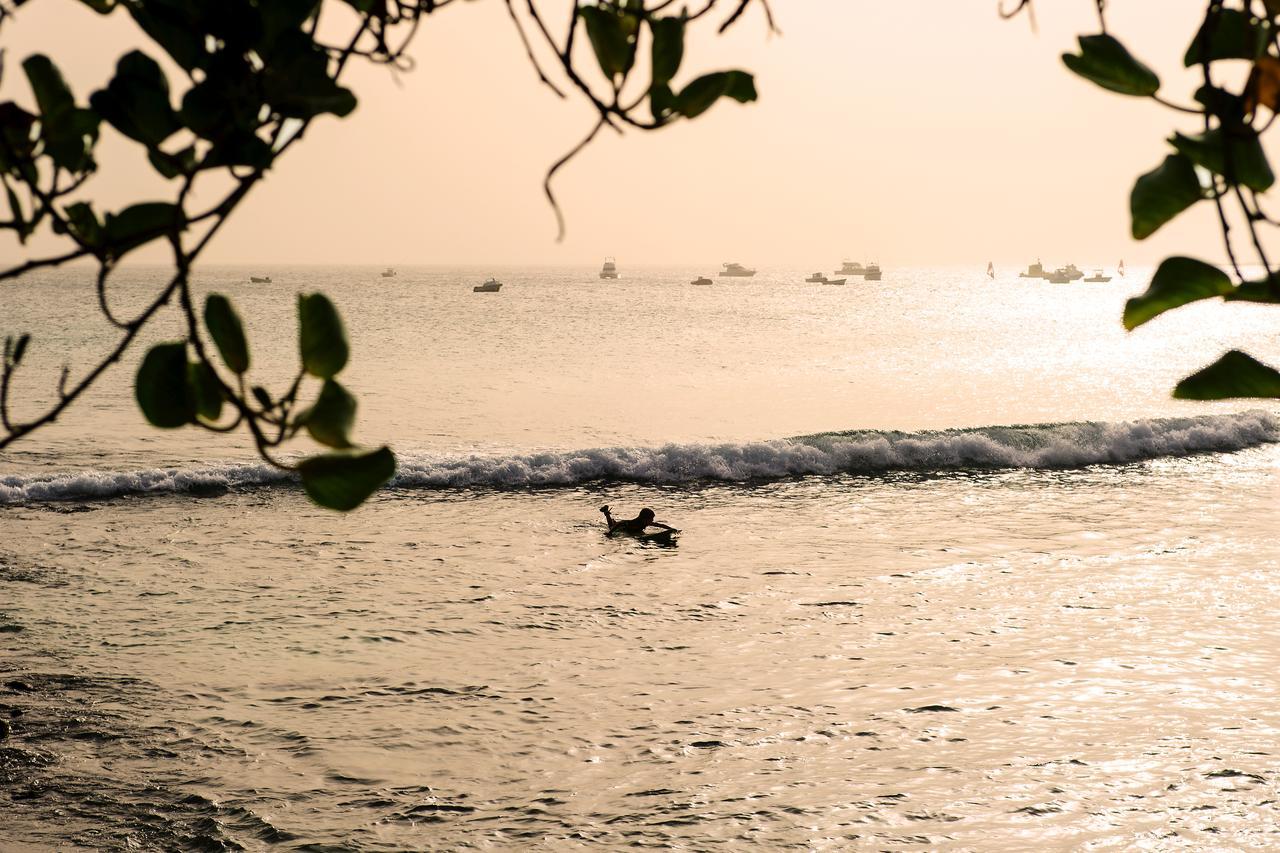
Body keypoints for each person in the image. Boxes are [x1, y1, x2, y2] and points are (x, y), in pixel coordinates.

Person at [599, 504, 679, 537]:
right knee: (611, 526)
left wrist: (670, 529)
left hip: (628, 528)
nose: (652, 521)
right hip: (622, 526)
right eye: (651, 519)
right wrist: (610, 533)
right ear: (644, 518)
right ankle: (606, 513)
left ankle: (608, 514)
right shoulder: (636, 523)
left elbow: (659, 525)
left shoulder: (646, 522)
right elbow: (621, 524)